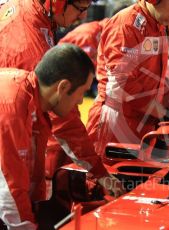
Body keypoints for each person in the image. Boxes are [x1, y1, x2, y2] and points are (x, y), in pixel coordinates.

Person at [0, 44, 122, 230]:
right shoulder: (13, 105)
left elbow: (72, 132)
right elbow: (10, 187)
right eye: (82, 92)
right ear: (63, 87)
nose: (81, 101)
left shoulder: (35, 96)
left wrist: (101, 174)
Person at [86, 0, 169, 158]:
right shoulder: (126, 26)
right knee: (108, 180)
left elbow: (155, 77)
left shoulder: (158, 24)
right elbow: (122, 86)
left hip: (143, 120)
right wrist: (163, 113)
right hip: (116, 123)